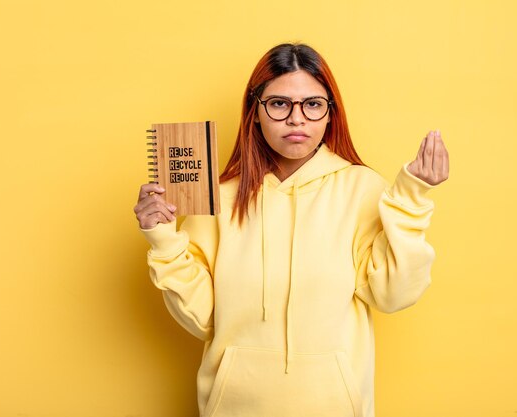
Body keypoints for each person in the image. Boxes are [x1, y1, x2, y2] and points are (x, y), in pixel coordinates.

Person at [134, 43, 449, 417]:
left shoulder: (362, 189)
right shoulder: (218, 197)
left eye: (312, 104)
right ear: (255, 112)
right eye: (279, 104)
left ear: (330, 114)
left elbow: (392, 295)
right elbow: (201, 318)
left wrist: (412, 199)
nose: (296, 119)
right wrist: (164, 239)